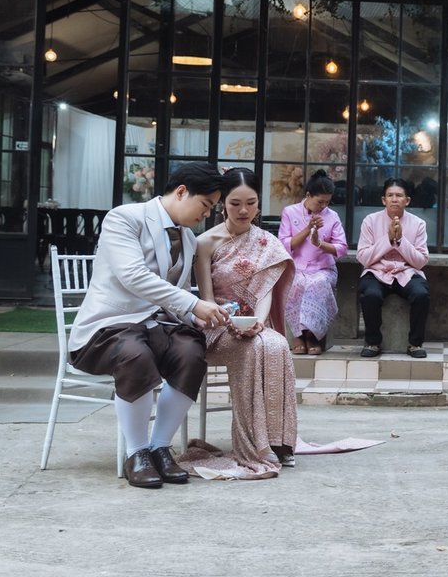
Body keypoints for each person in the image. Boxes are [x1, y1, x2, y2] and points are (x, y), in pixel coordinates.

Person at [67, 161, 229, 489]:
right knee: (134, 353)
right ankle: (136, 452)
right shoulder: (124, 218)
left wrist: (199, 316)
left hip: (154, 327)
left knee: (190, 351)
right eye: (206, 205)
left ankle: (160, 447)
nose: (207, 215)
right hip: (108, 326)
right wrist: (193, 303)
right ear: (182, 192)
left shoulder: (187, 240)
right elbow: (133, 276)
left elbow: (176, 296)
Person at [180, 167, 300, 478]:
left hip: (254, 326)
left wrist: (259, 322)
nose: (243, 210)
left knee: (274, 343)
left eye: (251, 202)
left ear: (260, 204)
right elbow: (205, 298)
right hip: (217, 328)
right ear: (223, 203)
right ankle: (254, 445)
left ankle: (281, 441)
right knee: (252, 350)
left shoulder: (267, 242)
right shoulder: (204, 242)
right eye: (235, 203)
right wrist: (225, 321)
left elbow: (265, 294)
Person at [357, 178, 430, 359]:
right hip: (377, 272)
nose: (394, 199)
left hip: (407, 272)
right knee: (370, 294)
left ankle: (415, 343)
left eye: (399, 196)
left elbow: (421, 261)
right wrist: (388, 240)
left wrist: (400, 241)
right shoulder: (370, 221)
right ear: (384, 200)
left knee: (421, 294)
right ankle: (372, 342)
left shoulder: (418, 224)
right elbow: (363, 258)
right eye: (390, 195)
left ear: (407, 200)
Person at [279, 170, 347, 355]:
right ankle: (299, 334)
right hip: (296, 268)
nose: (323, 206)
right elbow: (284, 245)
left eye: (327, 202)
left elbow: (341, 248)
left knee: (317, 284)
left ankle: (313, 335)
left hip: (323, 269)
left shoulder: (332, 216)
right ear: (308, 195)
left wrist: (320, 243)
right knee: (298, 283)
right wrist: (308, 229)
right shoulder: (289, 212)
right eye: (320, 201)